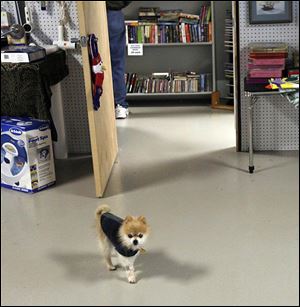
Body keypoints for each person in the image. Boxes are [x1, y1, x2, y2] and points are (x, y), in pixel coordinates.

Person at [106, 1, 131, 119]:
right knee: (117, 64)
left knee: (93, 63)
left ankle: (101, 105)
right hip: (113, 13)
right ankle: (120, 105)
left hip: (90, 14)